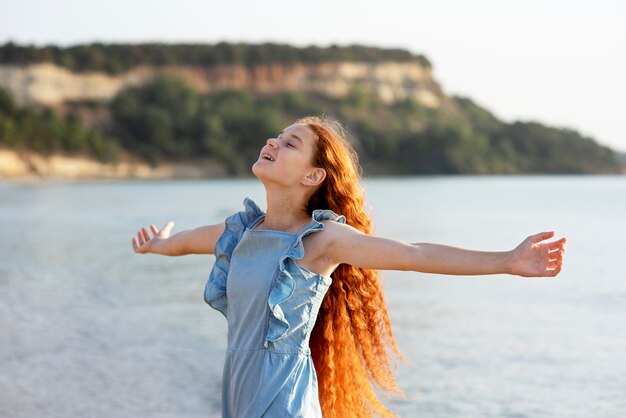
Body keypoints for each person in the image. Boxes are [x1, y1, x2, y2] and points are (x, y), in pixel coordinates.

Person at [131, 115, 566, 418]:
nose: (272, 143)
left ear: (312, 177)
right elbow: (186, 243)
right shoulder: (241, 231)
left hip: (283, 399)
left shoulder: (322, 241)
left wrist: (508, 261)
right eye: (277, 137)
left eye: (290, 144)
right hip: (238, 392)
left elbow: (412, 253)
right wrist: (157, 244)